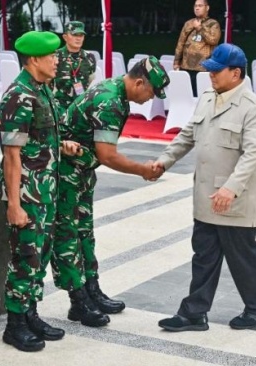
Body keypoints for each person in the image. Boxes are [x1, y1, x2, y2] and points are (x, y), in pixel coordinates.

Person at [154, 43, 256, 332]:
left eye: (217, 71)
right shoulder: (207, 97)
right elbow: (188, 134)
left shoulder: (253, 108)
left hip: (234, 199)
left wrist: (230, 189)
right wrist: (163, 162)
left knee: (243, 256)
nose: (211, 76)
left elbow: (253, 154)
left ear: (236, 73)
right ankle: (194, 312)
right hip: (207, 196)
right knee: (204, 255)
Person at [55, 56, 169, 327]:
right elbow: (108, 155)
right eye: (151, 92)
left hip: (80, 171)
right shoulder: (110, 101)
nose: (150, 98)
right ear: (139, 82)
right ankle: (78, 300)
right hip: (66, 173)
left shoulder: (116, 91)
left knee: (84, 232)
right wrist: (142, 170)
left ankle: (91, 289)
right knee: (68, 235)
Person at [0, 31, 81, 353]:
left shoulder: (41, 90)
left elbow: (36, 140)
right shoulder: (19, 95)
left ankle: (30, 313)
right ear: (34, 59)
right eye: (52, 56)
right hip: (28, 196)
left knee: (40, 257)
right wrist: (15, 204)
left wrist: (61, 145)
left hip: (46, 192)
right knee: (25, 258)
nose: (57, 60)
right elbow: (11, 155)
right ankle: (15, 323)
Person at [173, 0, 221, 96]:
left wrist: (200, 28)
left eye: (200, 6)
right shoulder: (188, 23)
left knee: (202, 95)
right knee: (186, 95)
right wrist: (176, 62)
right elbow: (180, 43)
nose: (197, 8)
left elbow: (213, 40)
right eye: (195, 6)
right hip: (186, 66)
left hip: (203, 68)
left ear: (207, 8)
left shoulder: (213, 24)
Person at [51, 21, 97, 113]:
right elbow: (48, 83)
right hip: (59, 108)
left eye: (81, 35)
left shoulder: (89, 57)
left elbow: (90, 80)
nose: (78, 38)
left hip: (81, 107)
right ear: (65, 37)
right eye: (74, 35)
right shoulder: (55, 56)